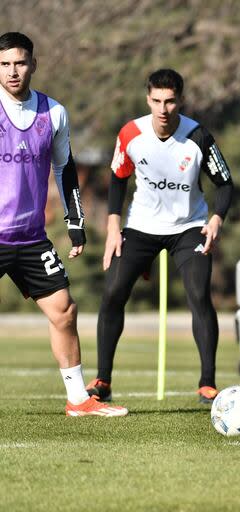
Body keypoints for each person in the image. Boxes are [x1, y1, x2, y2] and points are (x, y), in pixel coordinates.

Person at [86, 69, 234, 404]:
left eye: (169, 101)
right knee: (112, 293)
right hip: (141, 227)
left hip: (188, 227)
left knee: (199, 295)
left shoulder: (199, 137)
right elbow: (117, 178)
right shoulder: (130, 134)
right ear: (148, 99)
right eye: (156, 101)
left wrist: (215, 219)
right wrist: (113, 226)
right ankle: (102, 382)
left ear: (180, 100)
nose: (163, 109)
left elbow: (225, 184)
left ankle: (207, 384)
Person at [0, 32, 127, 417]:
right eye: (4, 64)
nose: (12, 71)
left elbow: (64, 168)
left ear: (33, 64)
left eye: (20, 62)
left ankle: (78, 401)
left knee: (64, 310)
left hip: (30, 238)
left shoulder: (53, 113)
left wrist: (75, 222)